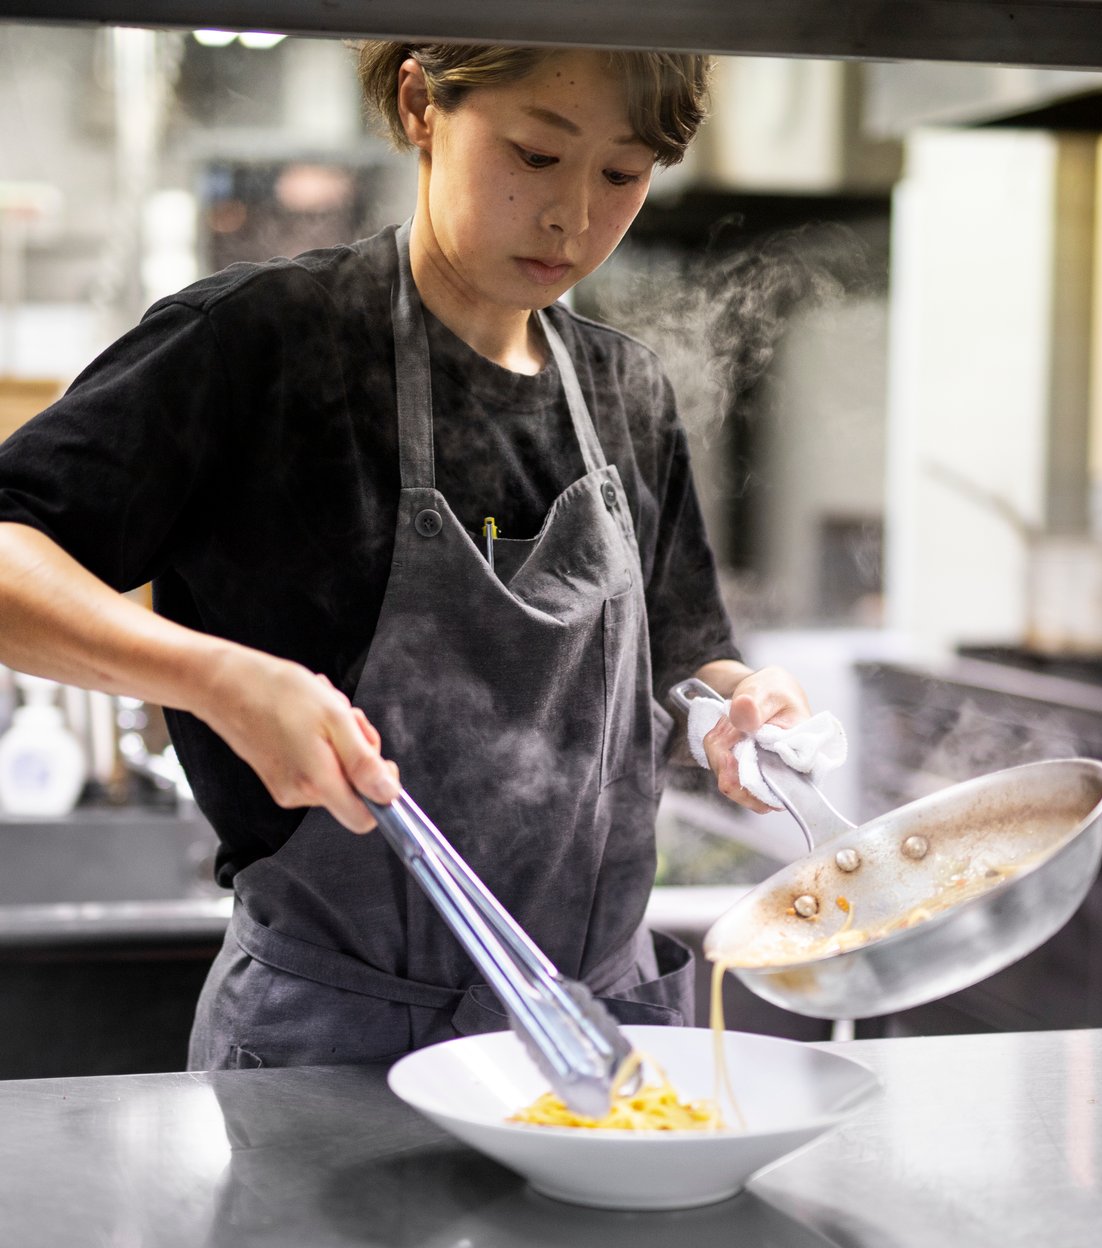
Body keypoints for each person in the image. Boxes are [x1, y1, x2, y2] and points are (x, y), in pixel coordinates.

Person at [0, 42, 810, 1069]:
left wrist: (738, 709)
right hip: (340, 1049)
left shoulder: (625, 393)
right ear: (420, 101)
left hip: (595, 1042)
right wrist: (213, 676)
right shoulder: (268, 345)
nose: (571, 214)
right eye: (534, 152)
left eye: (621, 173)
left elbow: (684, 654)